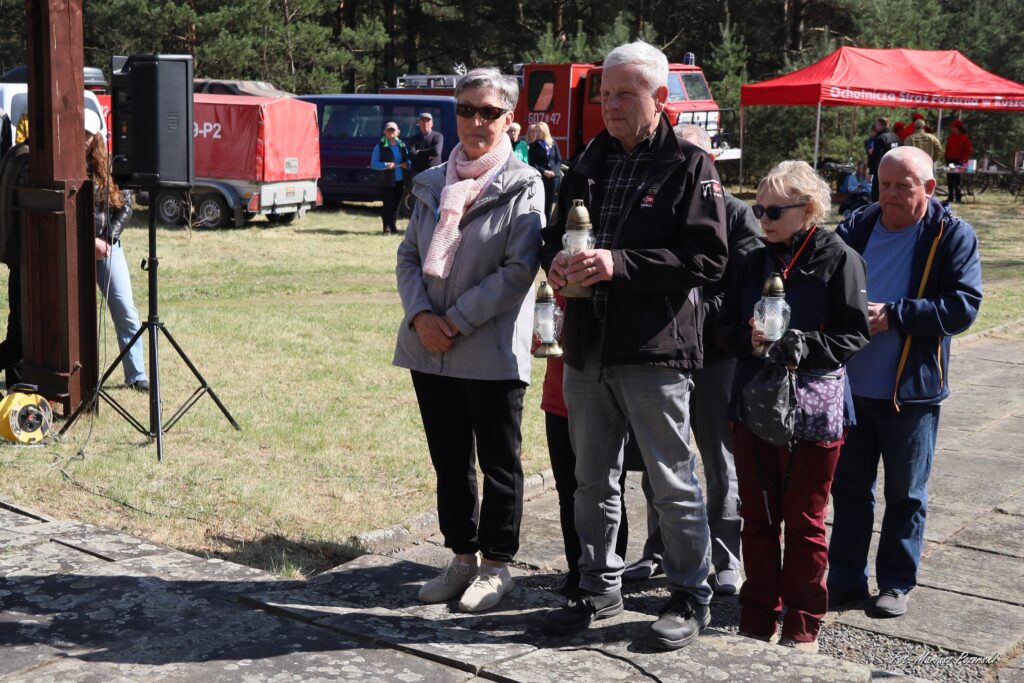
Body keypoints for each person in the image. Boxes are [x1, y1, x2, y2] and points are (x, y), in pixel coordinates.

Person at [541, 40, 728, 651]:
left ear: (662, 97)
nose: (611, 105)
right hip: (587, 346)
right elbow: (553, 236)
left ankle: (690, 593)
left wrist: (617, 264)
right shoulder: (588, 160)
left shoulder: (690, 165)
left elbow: (708, 259)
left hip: (653, 350)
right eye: (605, 94)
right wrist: (556, 263)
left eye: (626, 93)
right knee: (591, 479)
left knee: (672, 480)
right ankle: (597, 585)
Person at [394, 67, 543, 613]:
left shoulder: (524, 182)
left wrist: (453, 321)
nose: (475, 121)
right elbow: (408, 256)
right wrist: (420, 317)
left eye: (488, 112)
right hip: (428, 346)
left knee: (500, 465)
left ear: (509, 119)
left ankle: (497, 566)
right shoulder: (433, 180)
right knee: (450, 461)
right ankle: (462, 557)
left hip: (488, 348)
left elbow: (518, 270)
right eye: (465, 110)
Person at [718, 160, 870, 653]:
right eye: (758, 208)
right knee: (758, 519)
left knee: (805, 521)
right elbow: (719, 326)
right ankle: (756, 617)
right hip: (754, 403)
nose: (762, 218)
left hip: (815, 408)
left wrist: (803, 346)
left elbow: (854, 334)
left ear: (808, 209)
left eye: (774, 210)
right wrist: (747, 340)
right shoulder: (751, 260)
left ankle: (803, 625)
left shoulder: (839, 257)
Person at [829, 146, 982, 619]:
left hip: (911, 393)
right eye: (884, 184)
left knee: (906, 494)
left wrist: (894, 315)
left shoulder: (950, 235)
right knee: (849, 490)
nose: (890, 194)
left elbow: (963, 307)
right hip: (850, 391)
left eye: (903, 186)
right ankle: (845, 580)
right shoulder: (855, 226)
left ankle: (895, 583)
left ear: (930, 188)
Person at [621, 124, 761, 598]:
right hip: (663, 352)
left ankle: (725, 557)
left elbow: (746, 286)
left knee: (719, 461)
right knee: (660, 459)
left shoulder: (737, 214)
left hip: (715, 355)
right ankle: (659, 549)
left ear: (708, 163)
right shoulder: (655, 205)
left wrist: (698, 315)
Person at [540, 293, 629, 599]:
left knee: (607, 489)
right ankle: (576, 570)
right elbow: (540, 337)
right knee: (568, 491)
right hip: (558, 399)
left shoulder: (604, 289)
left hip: (603, 401)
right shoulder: (556, 288)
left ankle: (611, 571)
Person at [85, 109, 149, 393]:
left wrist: (107, 240)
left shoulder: (108, 167)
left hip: (108, 248)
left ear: (96, 137)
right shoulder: (65, 164)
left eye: (87, 135)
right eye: (79, 134)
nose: (82, 139)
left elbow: (125, 206)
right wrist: (90, 241)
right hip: (77, 249)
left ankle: (136, 375)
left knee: (125, 309)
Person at [370, 121, 409, 234]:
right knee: (388, 204)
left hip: (400, 180)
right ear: (385, 132)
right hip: (387, 181)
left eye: (393, 130)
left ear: (398, 132)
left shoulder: (402, 145)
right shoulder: (380, 146)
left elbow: (408, 160)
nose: (391, 132)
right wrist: (386, 165)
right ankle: (386, 227)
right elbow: (373, 164)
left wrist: (407, 164)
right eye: (389, 130)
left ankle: (393, 226)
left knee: (396, 205)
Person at [528, 121, 562, 220]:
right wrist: (544, 172)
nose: (537, 133)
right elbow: (532, 163)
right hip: (542, 177)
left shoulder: (553, 143)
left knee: (550, 203)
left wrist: (555, 171)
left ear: (545, 131)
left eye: (539, 131)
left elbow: (558, 159)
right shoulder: (533, 145)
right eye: (536, 131)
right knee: (542, 202)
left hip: (554, 177)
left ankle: (548, 223)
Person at [868, 118, 900, 202]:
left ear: (880, 125)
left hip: (882, 171)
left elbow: (877, 157)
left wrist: (873, 171)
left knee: (877, 196)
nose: (876, 126)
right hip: (895, 170)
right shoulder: (896, 137)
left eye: (877, 124)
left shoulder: (881, 138)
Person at [944, 119, 972, 203]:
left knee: (957, 179)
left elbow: (968, 150)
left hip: (958, 160)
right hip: (950, 160)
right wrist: (946, 157)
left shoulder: (963, 138)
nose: (951, 128)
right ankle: (950, 197)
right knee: (950, 179)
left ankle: (958, 197)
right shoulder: (951, 137)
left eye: (952, 127)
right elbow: (947, 148)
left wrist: (964, 160)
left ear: (957, 127)